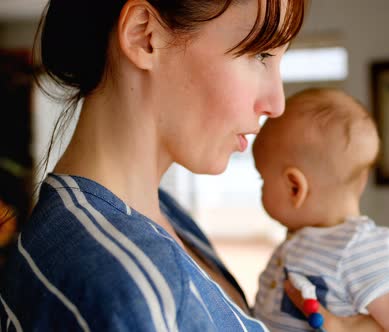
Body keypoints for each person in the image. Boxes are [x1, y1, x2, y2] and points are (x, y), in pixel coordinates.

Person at [0, 0, 312, 330]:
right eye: (259, 55)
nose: (276, 103)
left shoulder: (164, 215)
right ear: (144, 36)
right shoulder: (121, 284)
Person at [252, 88, 389, 331]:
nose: (262, 189)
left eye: (263, 180)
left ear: (294, 187)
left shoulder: (360, 247)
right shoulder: (302, 240)